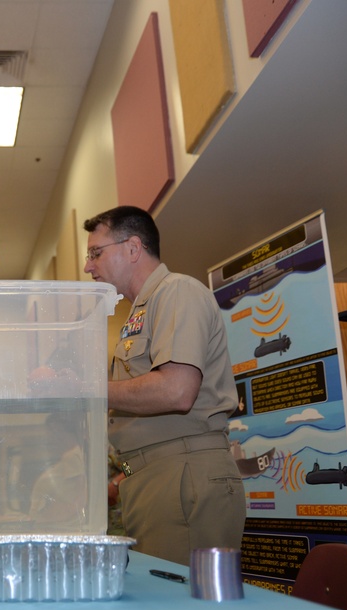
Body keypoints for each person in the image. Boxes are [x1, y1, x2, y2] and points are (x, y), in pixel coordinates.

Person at [83, 205, 245, 566]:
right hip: (152, 477)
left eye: (96, 253)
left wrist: (86, 387)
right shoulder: (142, 310)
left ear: (133, 248)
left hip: (182, 474)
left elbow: (176, 391)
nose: (88, 266)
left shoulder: (177, 293)